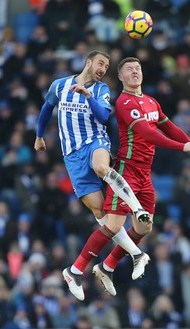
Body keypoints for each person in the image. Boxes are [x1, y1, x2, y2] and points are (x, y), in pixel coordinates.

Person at [63, 57, 190, 301]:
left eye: (138, 68)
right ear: (121, 77)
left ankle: (107, 267)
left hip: (145, 174)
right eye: (129, 70)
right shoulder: (124, 102)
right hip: (127, 169)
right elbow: (147, 132)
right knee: (113, 225)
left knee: (144, 227)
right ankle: (75, 269)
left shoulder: (151, 101)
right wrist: (181, 148)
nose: (135, 72)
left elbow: (170, 127)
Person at [34, 51, 151, 294]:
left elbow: (104, 116)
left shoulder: (102, 89)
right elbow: (47, 108)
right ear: (88, 62)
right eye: (100, 64)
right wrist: (39, 136)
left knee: (102, 167)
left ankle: (136, 207)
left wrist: (88, 96)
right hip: (71, 155)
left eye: (106, 66)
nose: (102, 69)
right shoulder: (60, 85)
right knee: (101, 212)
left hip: (95, 141)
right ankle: (135, 254)